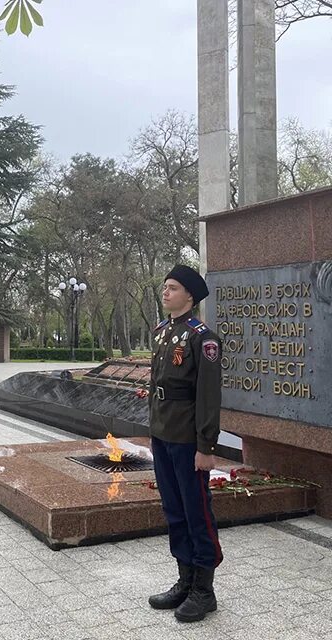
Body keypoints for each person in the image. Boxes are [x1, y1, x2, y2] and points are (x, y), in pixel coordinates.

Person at [147, 265, 223, 623]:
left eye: (173, 288)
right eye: (165, 287)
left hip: (188, 439)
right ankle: (184, 579)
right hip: (163, 434)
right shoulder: (162, 332)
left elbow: (207, 397)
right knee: (174, 511)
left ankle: (204, 591)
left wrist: (205, 446)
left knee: (197, 514)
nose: (166, 292)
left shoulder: (202, 338)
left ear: (189, 296)